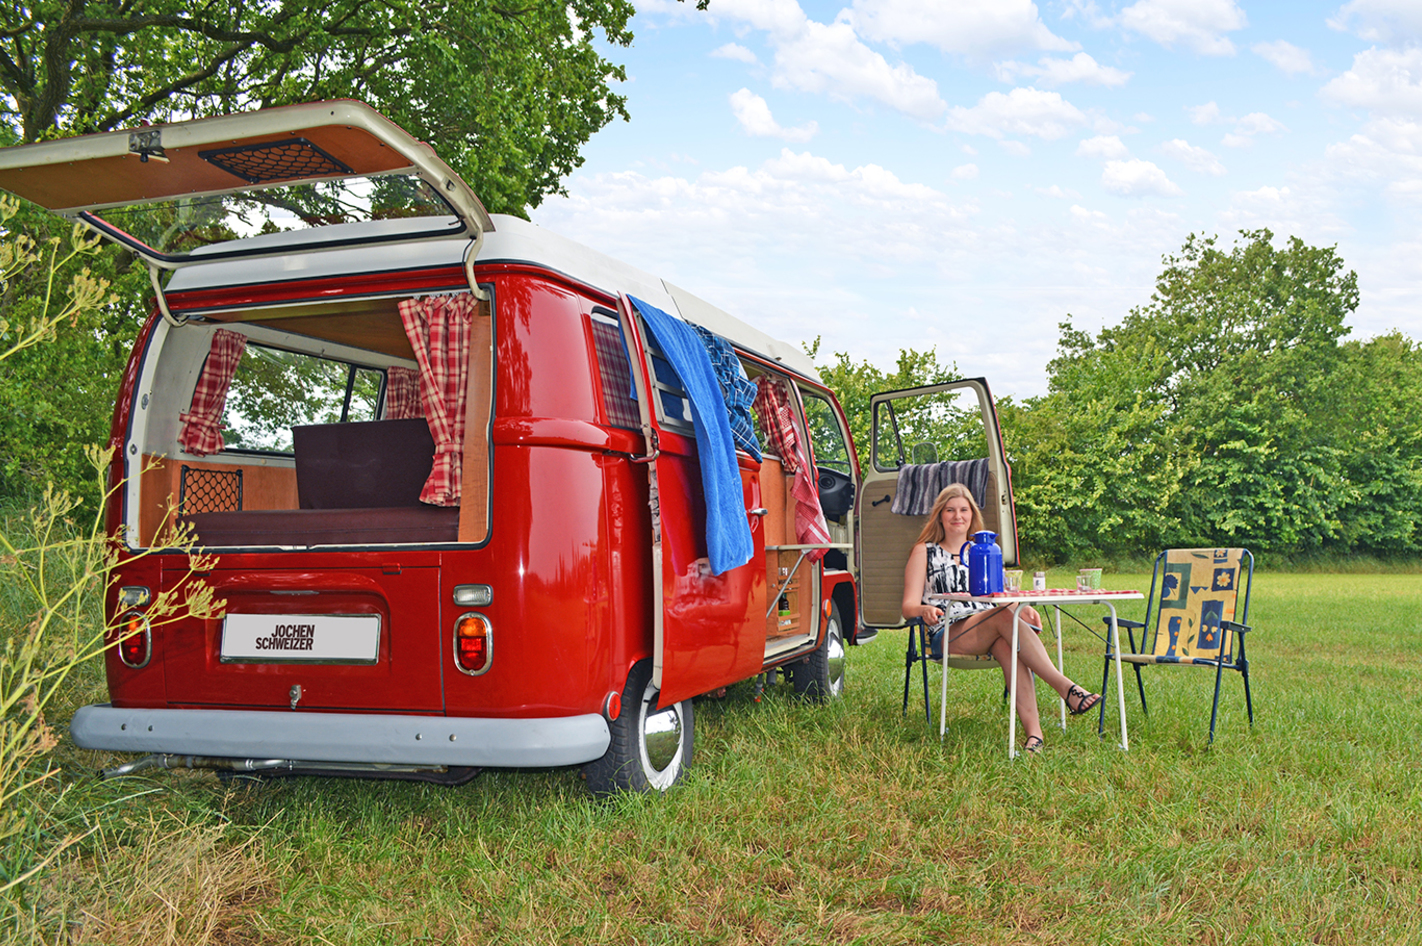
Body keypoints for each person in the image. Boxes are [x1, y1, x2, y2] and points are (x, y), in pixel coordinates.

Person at [901, 483, 1102, 753]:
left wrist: (1021, 607)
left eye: (964, 510)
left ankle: (1035, 736)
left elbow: (998, 594)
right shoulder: (924, 551)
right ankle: (1066, 688)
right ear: (940, 515)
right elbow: (908, 606)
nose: (957, 516)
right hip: (946, 632)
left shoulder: (982, 551)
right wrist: (923, 610)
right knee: (1003, 617)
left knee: (1007, 639)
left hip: (989, 625)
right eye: (950, 510)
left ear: (972, 515)